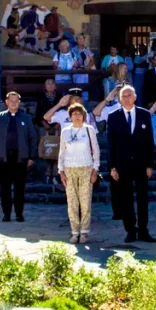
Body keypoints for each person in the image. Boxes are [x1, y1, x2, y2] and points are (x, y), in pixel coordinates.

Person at [106, 85, 156, 243]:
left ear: (135, 97)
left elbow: (149, 140)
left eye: (129, 95)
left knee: (143, 199)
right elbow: (110, 142)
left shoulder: (144, 114)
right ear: (119, 99)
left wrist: (149, 164)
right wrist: (112, 166)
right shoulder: (114, 116)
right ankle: (130, 230)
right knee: (125, 199)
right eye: (123, 96)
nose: (126, 98)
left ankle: (143, 230)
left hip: (141, 163)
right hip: (122, 164)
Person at [0, 91, 38, 223]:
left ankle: (19, 214)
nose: (14, 103)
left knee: (20, 188)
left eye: (16, 101)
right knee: (5, 188)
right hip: (3, 158)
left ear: (19, 103)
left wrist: (32, 156)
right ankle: (6, 213)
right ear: (6, 102)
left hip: (21, 158)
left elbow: (33, 137)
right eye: (11, 101)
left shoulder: (25, 118)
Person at [58, 103, 100, 244]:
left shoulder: (89, 130)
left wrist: (95, 169)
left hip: (86, 168)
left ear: (83, 116)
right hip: (70, 169)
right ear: (70, 116)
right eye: (74, 114)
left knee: (85, 202)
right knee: (72, 202)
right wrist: (61, 171)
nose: (77, 116)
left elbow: (96, 150)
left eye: (79, 114)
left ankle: (84, 232)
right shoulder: (65, 131)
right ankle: (74, 231)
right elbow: (61, 153)